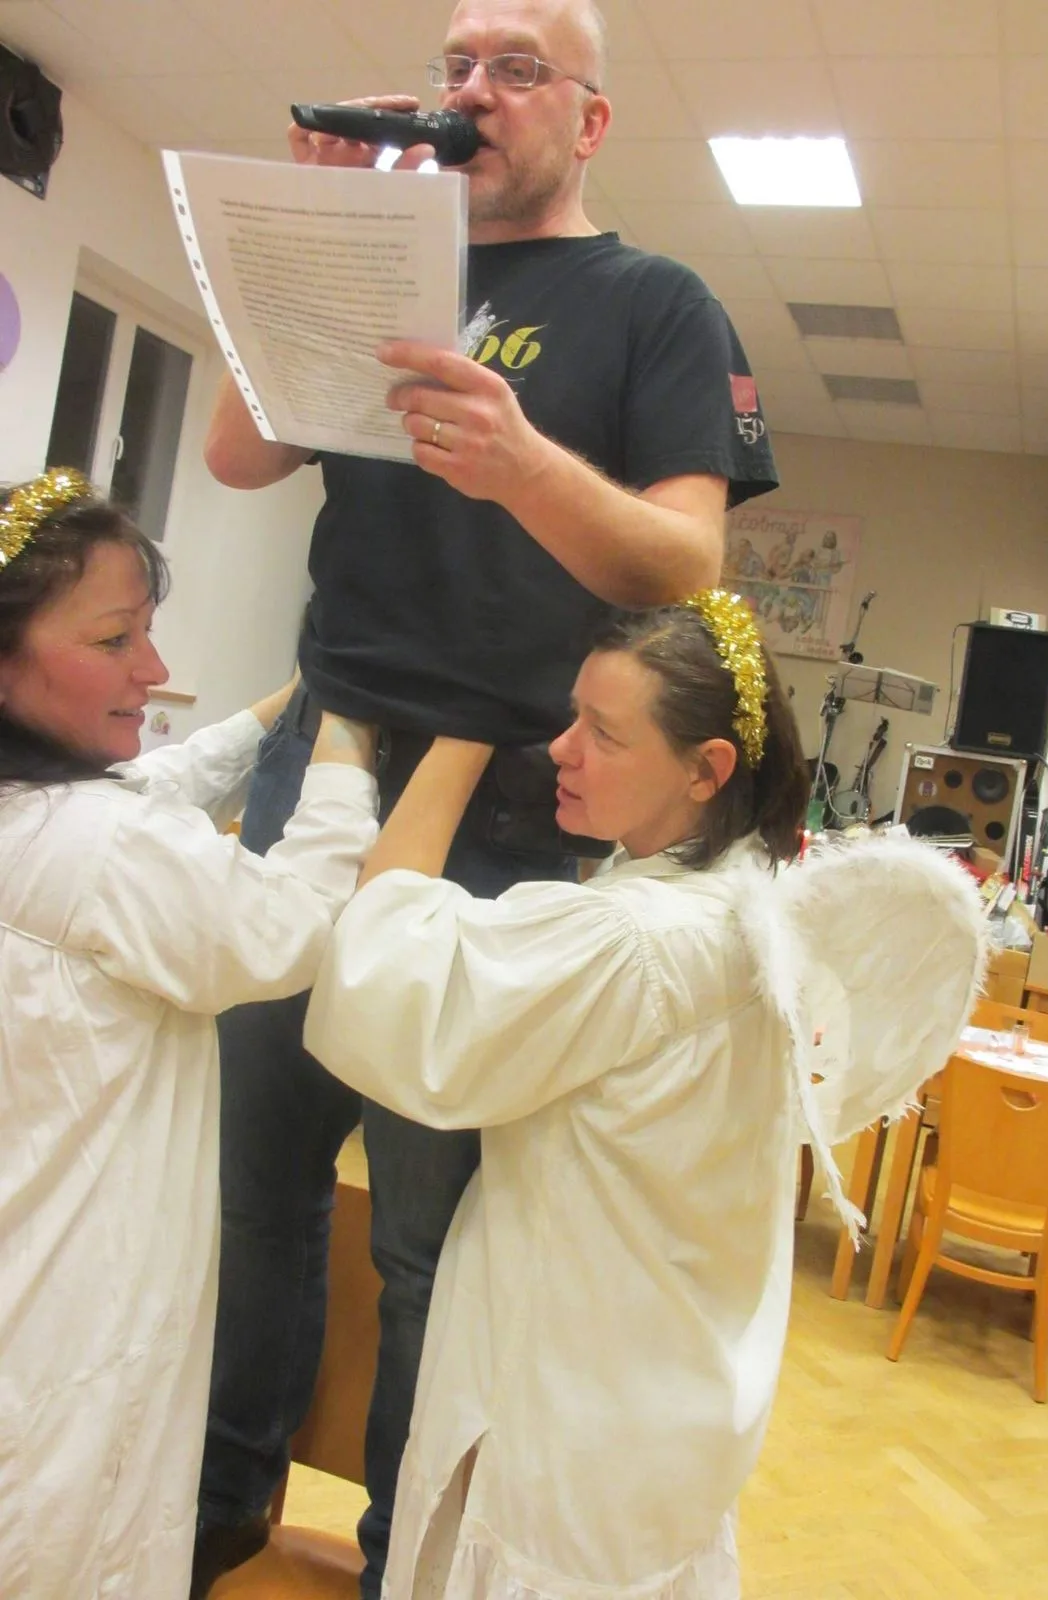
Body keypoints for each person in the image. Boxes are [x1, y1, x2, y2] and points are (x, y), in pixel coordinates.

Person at [195, 1, 779, 1591]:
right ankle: (222, 1512)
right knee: (250, 1185)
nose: (473, 92)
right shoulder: (392, 266)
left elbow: (685, 563)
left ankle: (410, 1561)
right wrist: (312, 237)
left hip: (509, 813)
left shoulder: (655, 301)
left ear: (588, 119)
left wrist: (522, 462)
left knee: (426, 1237)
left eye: (517, 68)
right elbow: (238, 453)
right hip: (318, 771)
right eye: (456, 64)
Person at [303, 593, 985, 1600]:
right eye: (570, 715)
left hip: (571, 1404)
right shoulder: (747, 899)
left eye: (603, 732)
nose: (560, 748)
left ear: (705, 769)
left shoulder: (635, 940)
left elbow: (386, 978)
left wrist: (449, 734)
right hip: (667, 1396)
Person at [0, 469, 380, 1600]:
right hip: (63, 1354)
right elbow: (287, 924)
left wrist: (281, 710)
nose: (153, 667)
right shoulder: (100, 850)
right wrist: (348, 739)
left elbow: (151, 789)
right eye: (114, 639)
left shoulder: (49, 821)